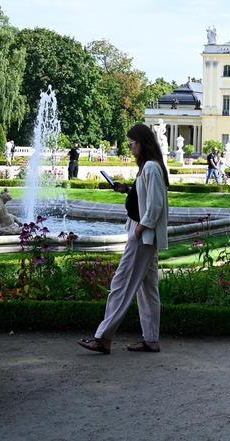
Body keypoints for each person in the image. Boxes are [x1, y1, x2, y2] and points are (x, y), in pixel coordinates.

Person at [78, 124, 169, 354]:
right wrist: (127, 189)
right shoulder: (150, 167)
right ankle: (151, 339)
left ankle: (103, 337)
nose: (130, 147)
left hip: (142, 236)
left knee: (121, 284)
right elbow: (146, 195)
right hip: (144, 235)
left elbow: (156, 205)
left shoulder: (150, 167)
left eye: (132, 143)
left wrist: (141, 228)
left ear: (142, 143)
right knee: (147, 289)